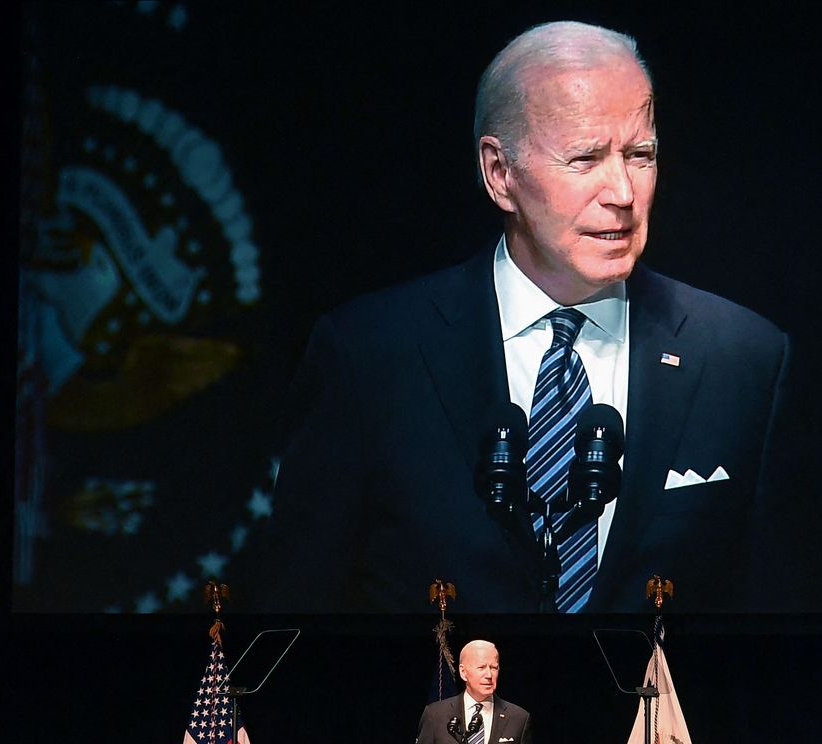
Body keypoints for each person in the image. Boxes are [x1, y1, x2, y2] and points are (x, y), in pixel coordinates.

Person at [251, 20, 791, 613]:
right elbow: (292, 616)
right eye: (585, 159)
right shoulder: (369, 355)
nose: (623, 192)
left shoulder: (742, 357)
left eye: (640, 155)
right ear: (500, 174)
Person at [413, 640, 531, 744]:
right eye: (481, 667)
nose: (489, 675)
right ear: (463, 672)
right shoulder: (435, 715)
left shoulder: (518, 718)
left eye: (494, 668)